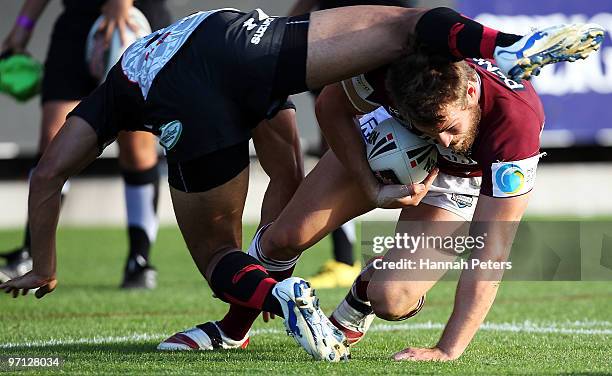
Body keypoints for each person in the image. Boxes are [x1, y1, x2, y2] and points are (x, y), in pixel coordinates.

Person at [0, 5, 602, 361]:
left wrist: (449, 349)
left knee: (395, 301)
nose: (442, 140)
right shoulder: (395, 75)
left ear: (473, 91)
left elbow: (490, 251)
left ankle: (363, 293)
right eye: (430, 128)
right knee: (282, 239)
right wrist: (371, 185)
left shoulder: (515, 126)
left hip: (459, 188)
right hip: (378, 147)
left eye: (446, 128)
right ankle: (231, 332)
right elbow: (336, 111)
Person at [0, 0, 172, 289]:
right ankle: (30, 253)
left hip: (134, 17)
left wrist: (121, 4)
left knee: (135, 143)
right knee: (53, 138)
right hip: (79, 20)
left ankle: (139, 262)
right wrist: (23, 26)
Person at [286, 0, 416, 290]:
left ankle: (396, 259)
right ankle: (346, 259)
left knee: (409, 146)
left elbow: (409, 15)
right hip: (338, 53)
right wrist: (284, 33)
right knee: (335, 146)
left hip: (378, 59)